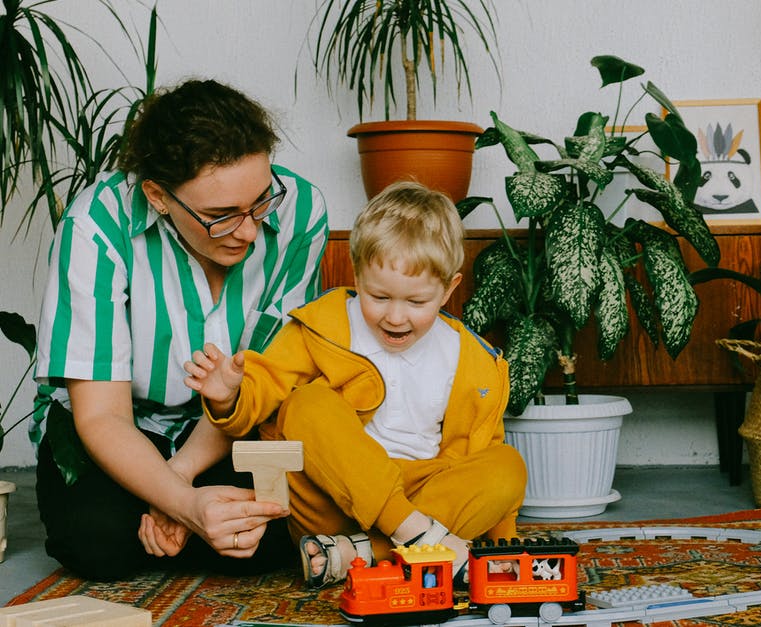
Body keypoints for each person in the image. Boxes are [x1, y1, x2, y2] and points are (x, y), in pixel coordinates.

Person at [32, 79, 329, 581]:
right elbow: (103, 416)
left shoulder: (301, 212)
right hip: (118, 429)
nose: (250, 230)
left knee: (268, 542)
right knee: (99, 546)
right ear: (158, 196)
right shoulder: (95, 226)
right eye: (220, 216)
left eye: (260, 202)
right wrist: (187, 505)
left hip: (233, 424)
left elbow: (266, 379)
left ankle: (177, 520)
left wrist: (179, 482)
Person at [183, 180, 526, 588]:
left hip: (425, 498)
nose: (395, 317)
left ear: (449, 289)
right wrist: (229, 397)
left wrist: (504, 549)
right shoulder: (323, 325)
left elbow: (483, 449)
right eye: (379, 297)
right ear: (357, 274)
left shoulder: (474, 361)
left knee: (508, 466)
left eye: (416, 303)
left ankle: (359, 553)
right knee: (307, 404)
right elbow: (266, 387)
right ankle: (413, 536)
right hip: (332, 497)